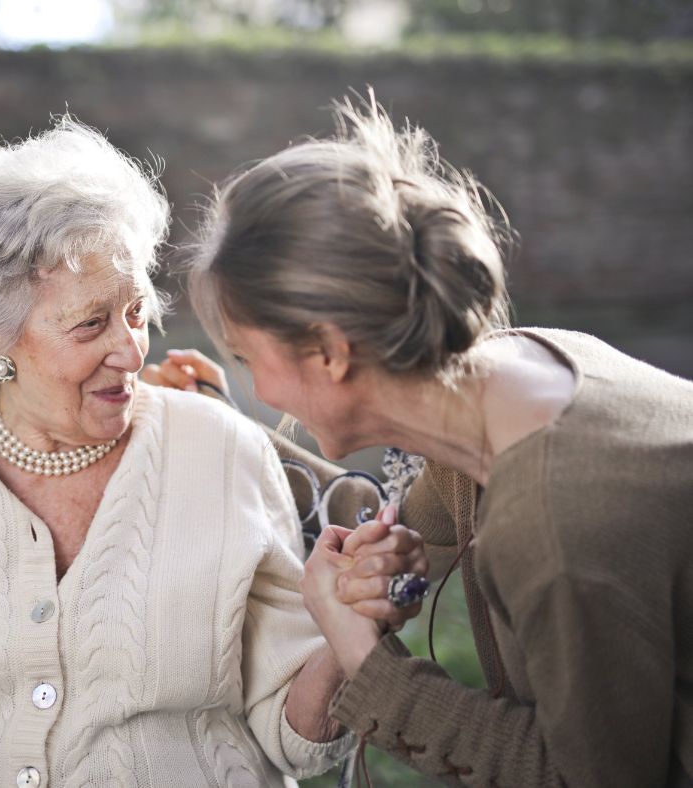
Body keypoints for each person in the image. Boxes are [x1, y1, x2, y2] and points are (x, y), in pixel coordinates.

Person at [0, 118, 369, 788]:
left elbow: (297, 738)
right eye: (91, 324)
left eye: (136, 313)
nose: (130, 349)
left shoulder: (222, 452)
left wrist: (346, 634)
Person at [167, 95, 693, 786]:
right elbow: (384, 518)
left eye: (245, 359)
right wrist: (215, 423)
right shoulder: (515, 376)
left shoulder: (555, 523)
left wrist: (368, 665)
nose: (257, 389)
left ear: (327, 351)